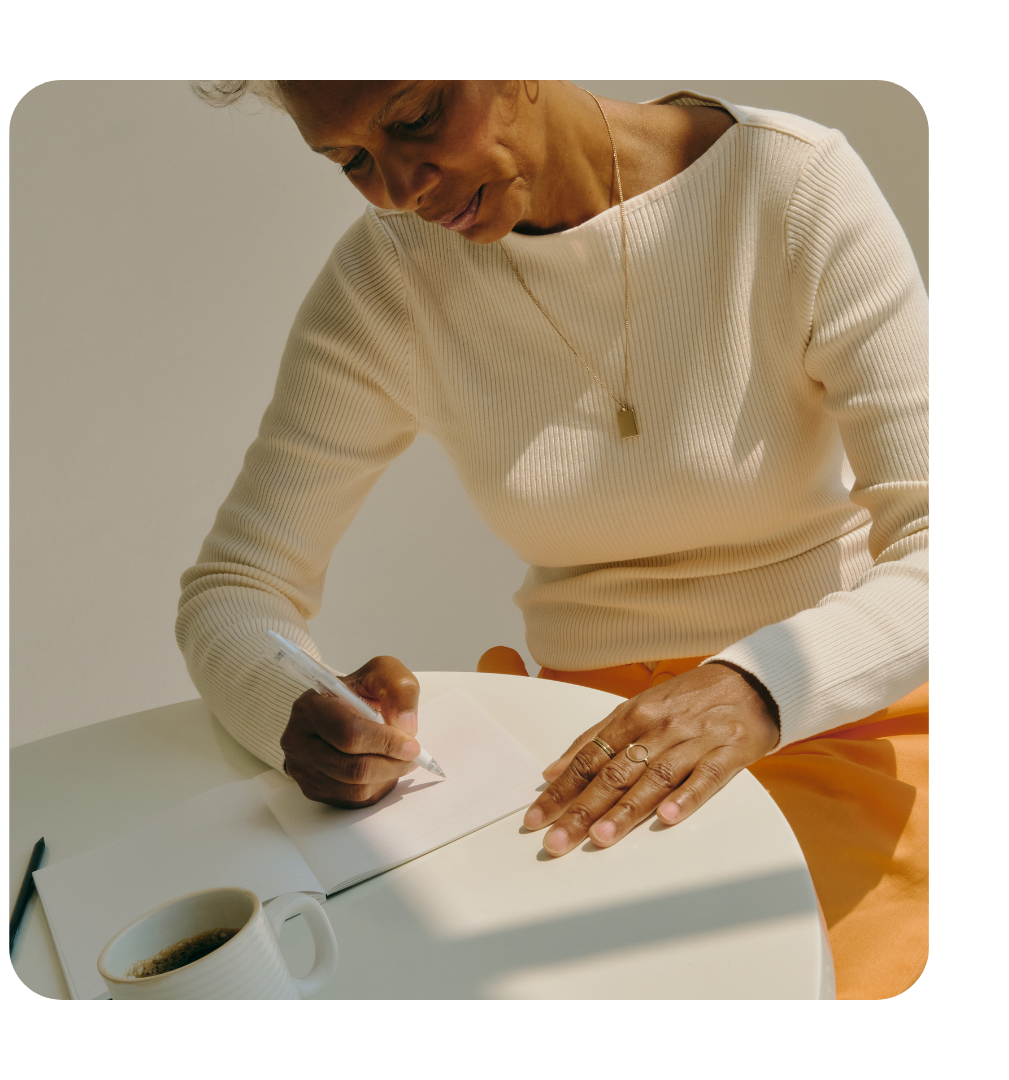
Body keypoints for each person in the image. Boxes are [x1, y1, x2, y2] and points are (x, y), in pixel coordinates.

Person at [179, 81, 928, 998]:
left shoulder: (790, 186)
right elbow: (235, 584)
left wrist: (758, 687)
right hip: (580, 751)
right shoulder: (391, 277)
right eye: (350, 160)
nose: (399, 189)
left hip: (830, 711)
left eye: (416, 119)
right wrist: (293, 706)